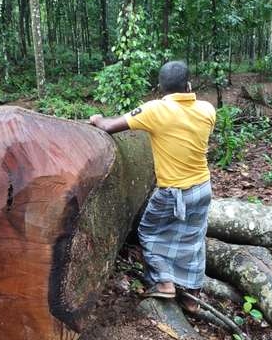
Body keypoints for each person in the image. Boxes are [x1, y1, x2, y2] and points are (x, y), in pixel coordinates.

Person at [89, 61, 216, 307]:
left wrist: (97, 118)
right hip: (202, 187)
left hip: (173, 191)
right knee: (194, 239)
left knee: (148, 231)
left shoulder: (156, 110)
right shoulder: (207, 109)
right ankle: (192, 296)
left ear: (160, 87)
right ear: (189, 84)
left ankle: (164, 282)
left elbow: (109, 127)